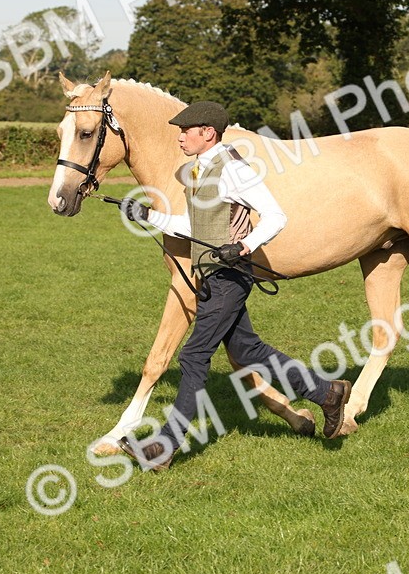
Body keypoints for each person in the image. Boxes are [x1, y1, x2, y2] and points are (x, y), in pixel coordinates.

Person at [116, 100, 350, 471]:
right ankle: (327, 392)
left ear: (207, 133)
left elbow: (276, 216)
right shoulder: (200, 170)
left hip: (229, 277)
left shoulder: (234, 170)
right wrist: (149, 215)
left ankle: (163, 448)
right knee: (249, 349)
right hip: (213, 276)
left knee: (193, 357)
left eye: (185, 131)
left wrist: (244, 245)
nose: (179, 137)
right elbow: (197, 229)